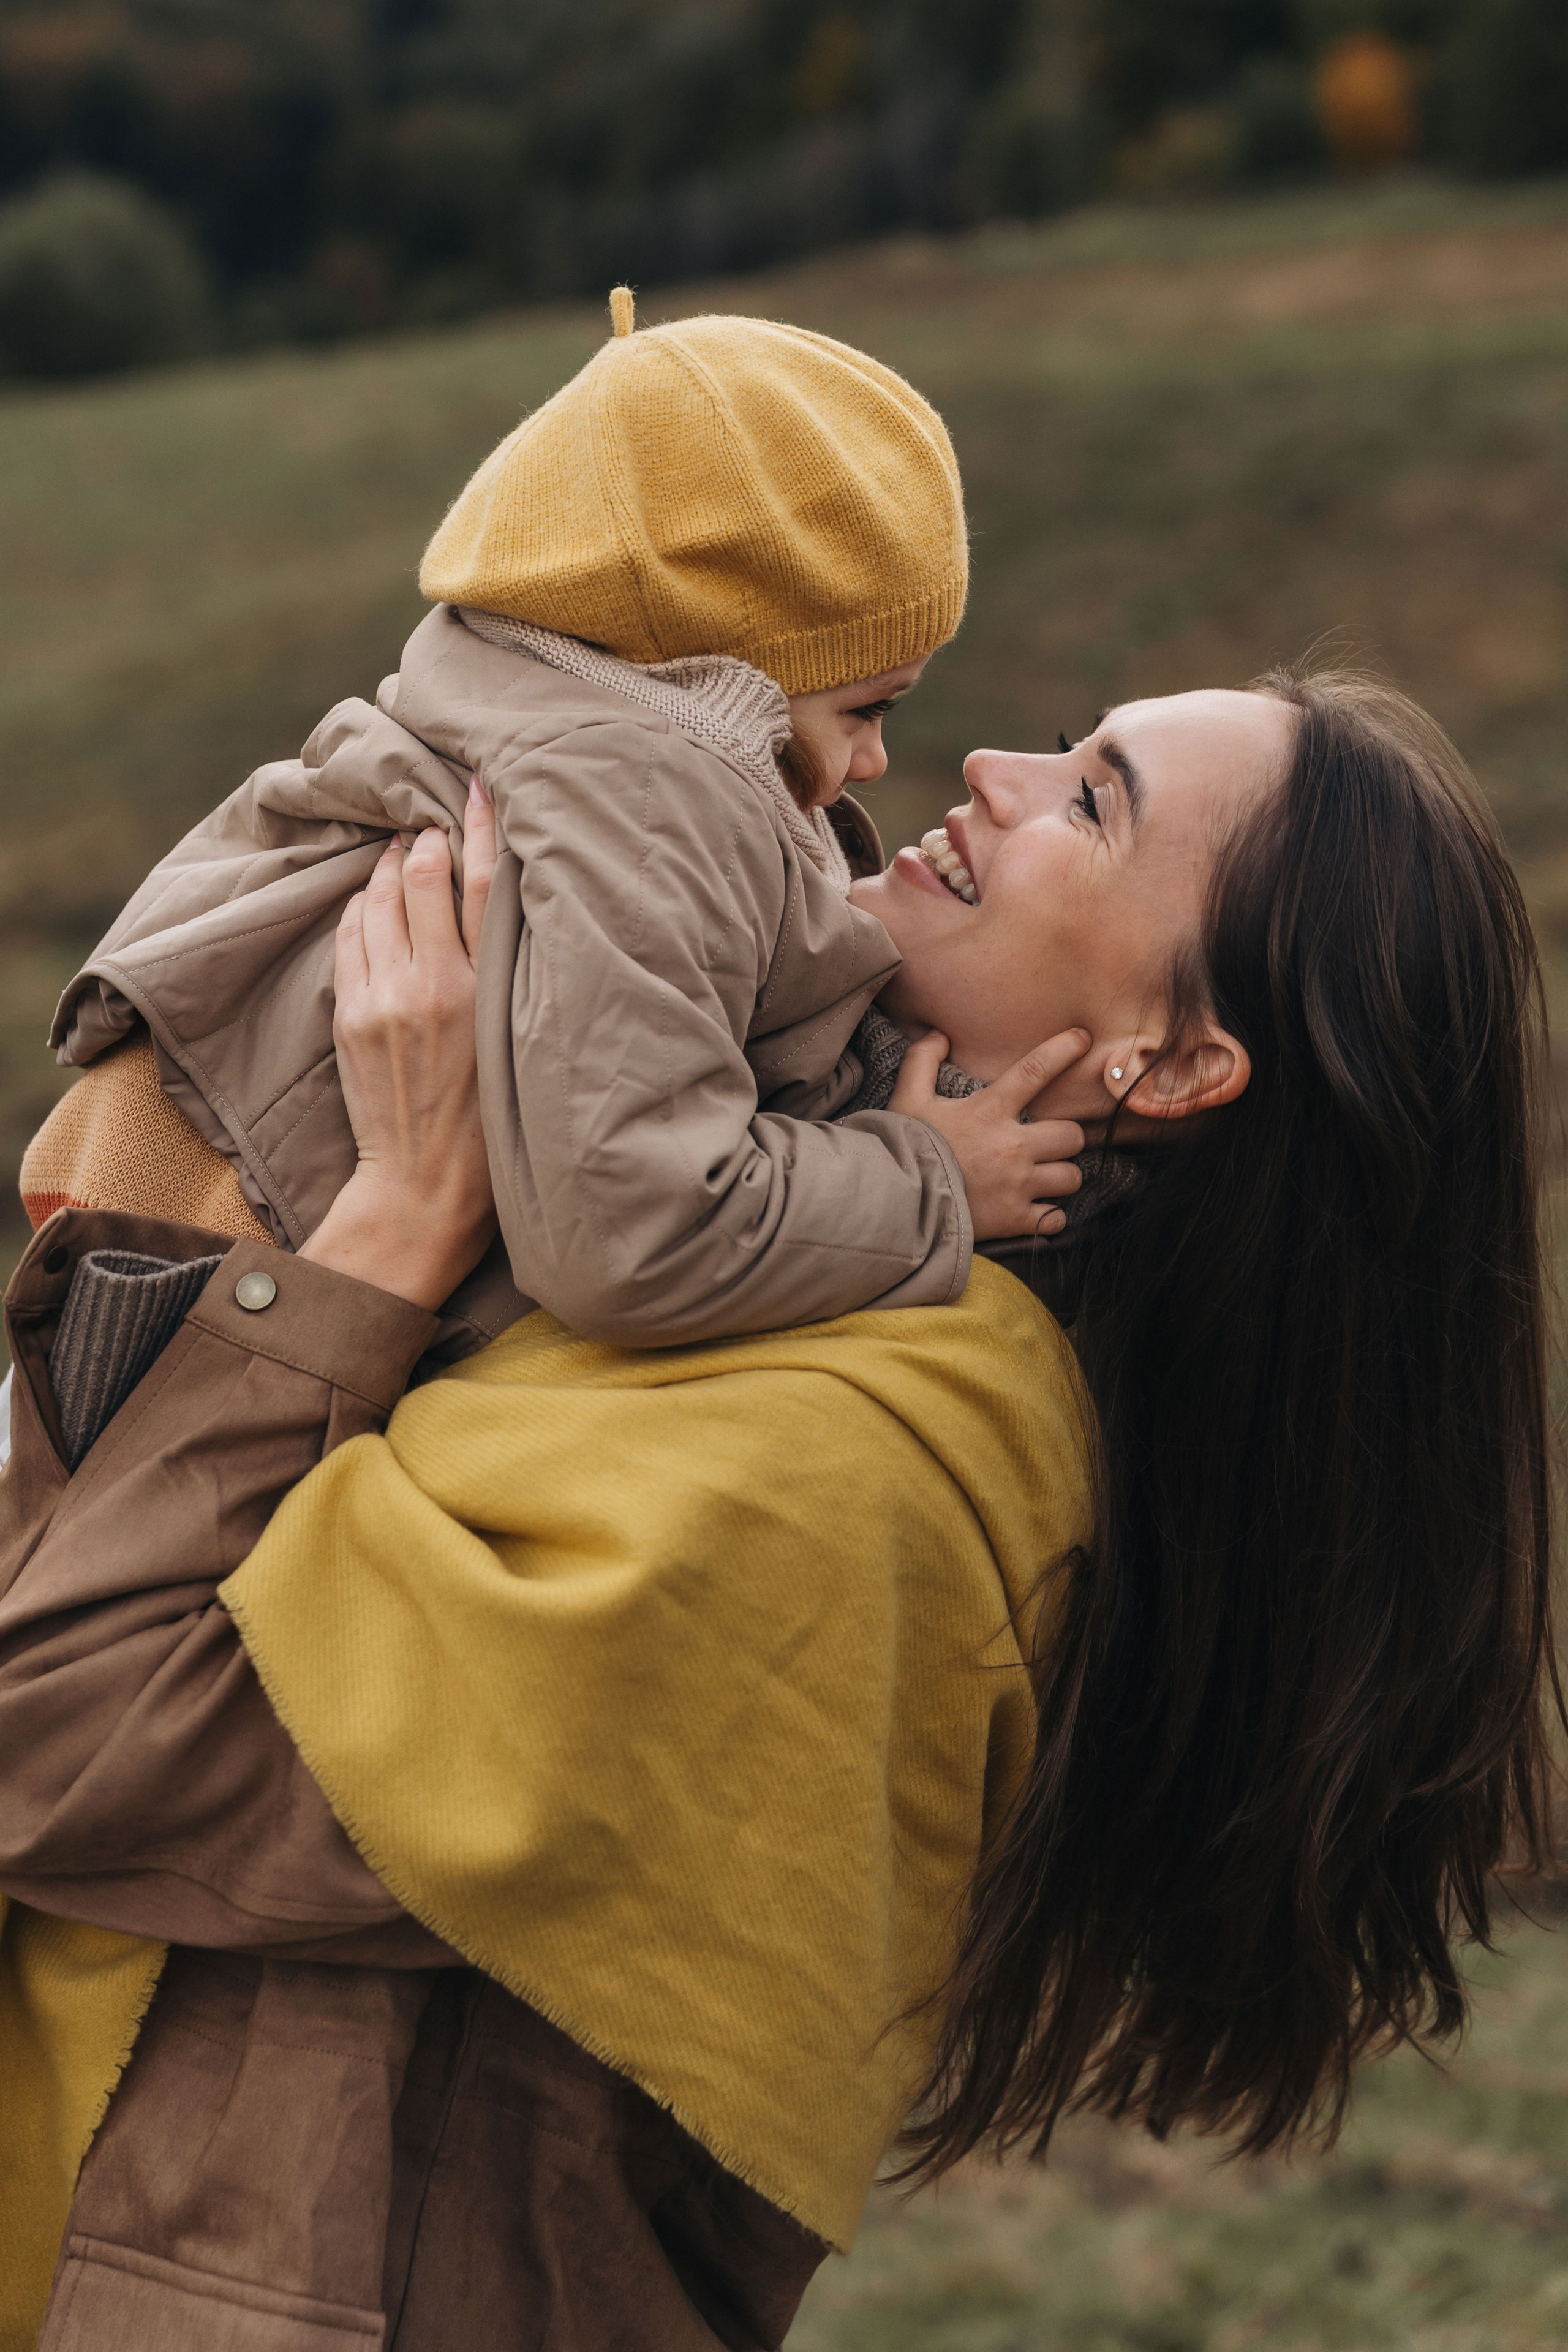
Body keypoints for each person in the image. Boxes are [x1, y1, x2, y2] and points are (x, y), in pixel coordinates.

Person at [0, 668, 1555, 2352]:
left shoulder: (857, 1475)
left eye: (1097, 800)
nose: (992, 767)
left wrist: (395, 1217)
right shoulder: (770, 1291)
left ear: (1171, 1063)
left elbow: (62, 1738)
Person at [18, 288, 1087, 1395]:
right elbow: (637, 1233)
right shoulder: (649, 799)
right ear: (732, 667)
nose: (870, 766)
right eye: (870, 709)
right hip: (212, 1292)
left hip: (143, 1256)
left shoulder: (536, 721)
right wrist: (933, 1183)